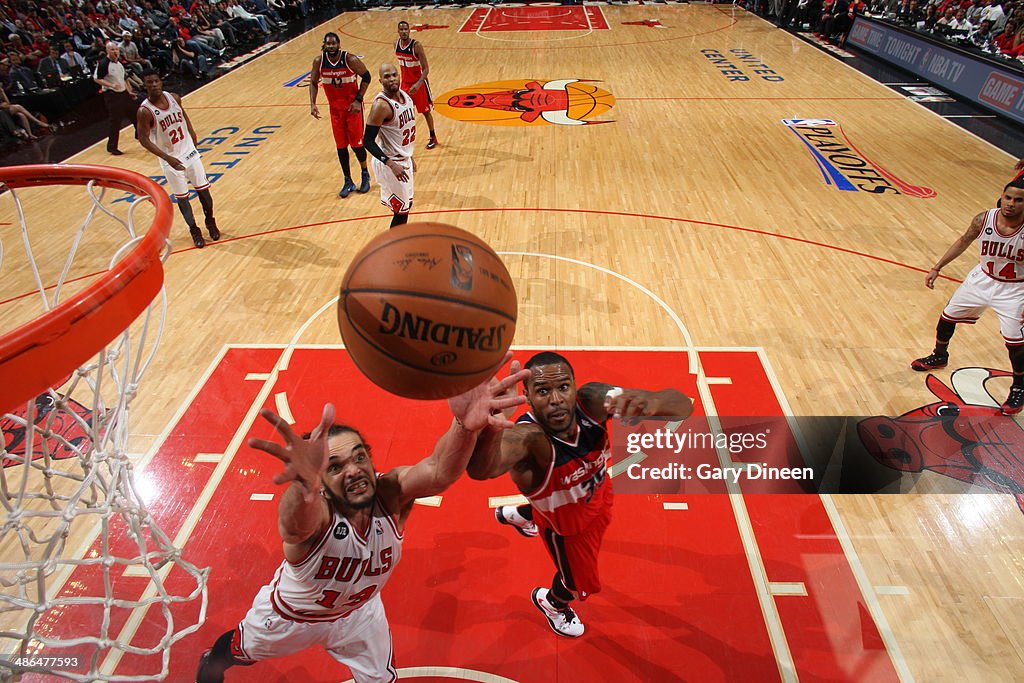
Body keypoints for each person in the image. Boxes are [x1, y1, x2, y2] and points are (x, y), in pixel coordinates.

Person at [194, 354, 530, 683]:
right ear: (320, 483)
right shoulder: (318, 514)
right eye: (336, 467)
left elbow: (439, 471)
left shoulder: (391, 494)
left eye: (360, 457)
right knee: (239, 652)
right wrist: (302, 486)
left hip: (360, 614)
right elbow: (293, 526)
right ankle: (212, 662)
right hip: (290, 618)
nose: (354, 470)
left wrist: (464, 426)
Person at [466, 352, 693, 637]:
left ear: (575, 385)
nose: (556, 399)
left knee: (563, 490)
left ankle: (522, 515)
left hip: (597, 492)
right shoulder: (528, 439)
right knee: (576, 583)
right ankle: (552, 604)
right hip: (567, 528)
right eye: (543, 391)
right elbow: (481, 470)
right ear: (527, 396)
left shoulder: (594, 400)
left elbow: (682, 406)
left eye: (563, 387)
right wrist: (489, 428)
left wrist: (651, 402)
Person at [911, 178, 1024, 414]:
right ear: (1002, 197)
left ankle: (1019, 387)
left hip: (1016, 288)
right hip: (983, 279)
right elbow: (964, 240)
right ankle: (939, 355)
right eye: (1008, 197)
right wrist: (937, 266)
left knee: (1015, 342)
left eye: (1019, 200)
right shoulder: (985, 219)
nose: (1011, 203)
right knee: (947, 317)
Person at [136, 69, 221, 249]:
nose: (153, 85)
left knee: (204, 190)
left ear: (161, 82)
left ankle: (210, 221)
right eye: (149, 82)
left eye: (156, 81)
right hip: (171, 159)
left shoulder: (174, 97)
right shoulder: (145, 111)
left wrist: (192, 133)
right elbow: (143, 139)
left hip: (189, 151)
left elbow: (183, 115)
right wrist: (167, 157)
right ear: (145, 86)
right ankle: (194, 230)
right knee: (183, 198)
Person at [309, 32, 371, 199]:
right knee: (341, 147)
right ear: (324, 45)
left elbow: (367, 76)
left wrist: (359, 99)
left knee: (357, 145)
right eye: (328, 44)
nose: (331, 46)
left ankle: (365, 173)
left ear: (338, 44)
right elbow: (313, 82)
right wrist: (313, 103)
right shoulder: (319, 61)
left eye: (333, 43)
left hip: (353, 110)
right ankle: (348, 180)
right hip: (335, 111)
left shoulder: (350, 59)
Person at [363, 63, 416, 229]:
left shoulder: (406, 97)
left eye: (394, 75)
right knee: (401, 212)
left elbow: (401, 132)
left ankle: (396, 243)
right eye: (387, 76)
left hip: (402, 159)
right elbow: (367, 141)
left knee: (405, 207)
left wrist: (409, 155)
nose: (392, 79)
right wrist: (391, 164)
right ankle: (393, 248)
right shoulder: (381, 106)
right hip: (390, 163)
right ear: (380, 80)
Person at [395, 20, 437, 150]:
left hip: (419, 83)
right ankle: (402, 139)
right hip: (405, 84)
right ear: (398, 31)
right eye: (401, 29)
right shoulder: (395, 44)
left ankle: (433, 136)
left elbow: (426, 69)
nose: (403, 32)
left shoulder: (416, 46)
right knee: (401, 112)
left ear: (409, 30)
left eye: (405, 29)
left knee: (425, 112)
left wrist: (418, 84)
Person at [93, 41, 137, 155]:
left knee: (135, 114)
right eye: (112, 49)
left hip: (123, 94)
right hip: (112, 96)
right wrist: (111, 85)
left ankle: (140, 135)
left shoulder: (119, 64)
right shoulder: (103, 63)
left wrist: (129, 91)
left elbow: (124, 79)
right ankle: (112, 147)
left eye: (116, 49)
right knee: (116, 122)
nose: (115, 51)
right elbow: (97, 79)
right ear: (107, 51)